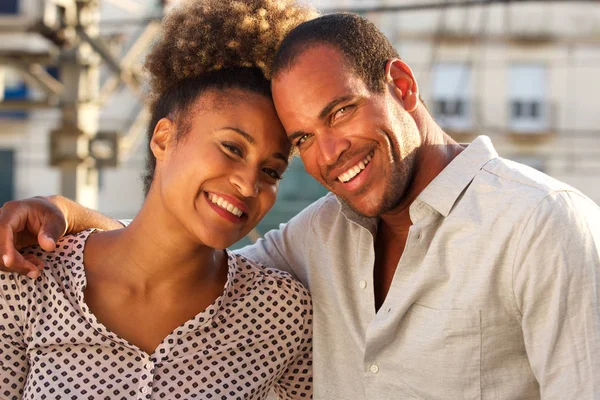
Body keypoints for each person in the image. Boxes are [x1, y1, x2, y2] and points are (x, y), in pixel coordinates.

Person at [2, 11, 600, 400]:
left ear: (404, 86)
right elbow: (179, 250)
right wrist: (66, 214)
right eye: (305, 139)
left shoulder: (543, 224)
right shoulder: (320, 239)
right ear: (161, 139)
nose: (331, 153)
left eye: (341, 110)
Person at [0, 1, 316, 399]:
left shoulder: (280, 313)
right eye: (232, 148)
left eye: (270, 171)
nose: (249, 185)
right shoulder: (30, 278)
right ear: (164, 138)